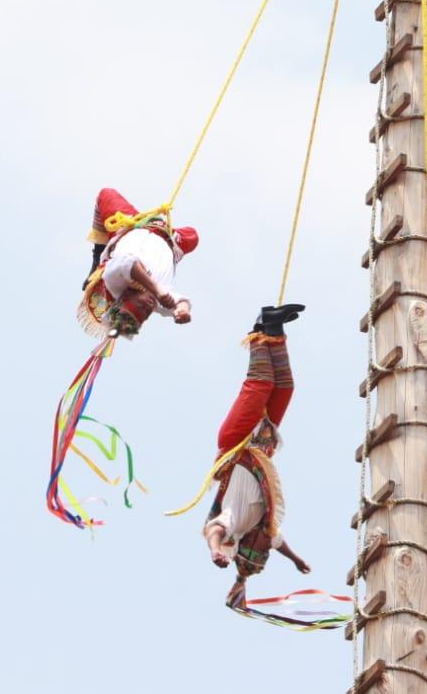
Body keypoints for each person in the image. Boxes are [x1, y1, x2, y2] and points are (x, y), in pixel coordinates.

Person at [202, 304, 313, 608]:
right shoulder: (266, 528)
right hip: (262, 442)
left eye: (262, 549)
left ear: (248, 545)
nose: (268, 545)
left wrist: (216, 551)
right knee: (284, 388)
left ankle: (258, 329)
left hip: (236, 443)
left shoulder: (236, 525)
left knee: (260, 385)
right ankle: (274, 328)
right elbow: (280, 543)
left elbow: (213, 529)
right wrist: (295, 560)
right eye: (267, 551)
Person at [76, 187, 196, 339]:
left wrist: (157, 291)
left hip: (131, 225)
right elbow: (182, 301)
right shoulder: (157, 301)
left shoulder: (114, 283)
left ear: (125, 298)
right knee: (193, 236)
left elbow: (129, 263)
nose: (148, 307)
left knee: (106, 195)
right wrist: (182, 311)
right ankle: (171, 235)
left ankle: (97, 254)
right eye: (147, 314)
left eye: (141, 306)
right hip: (171, 240)